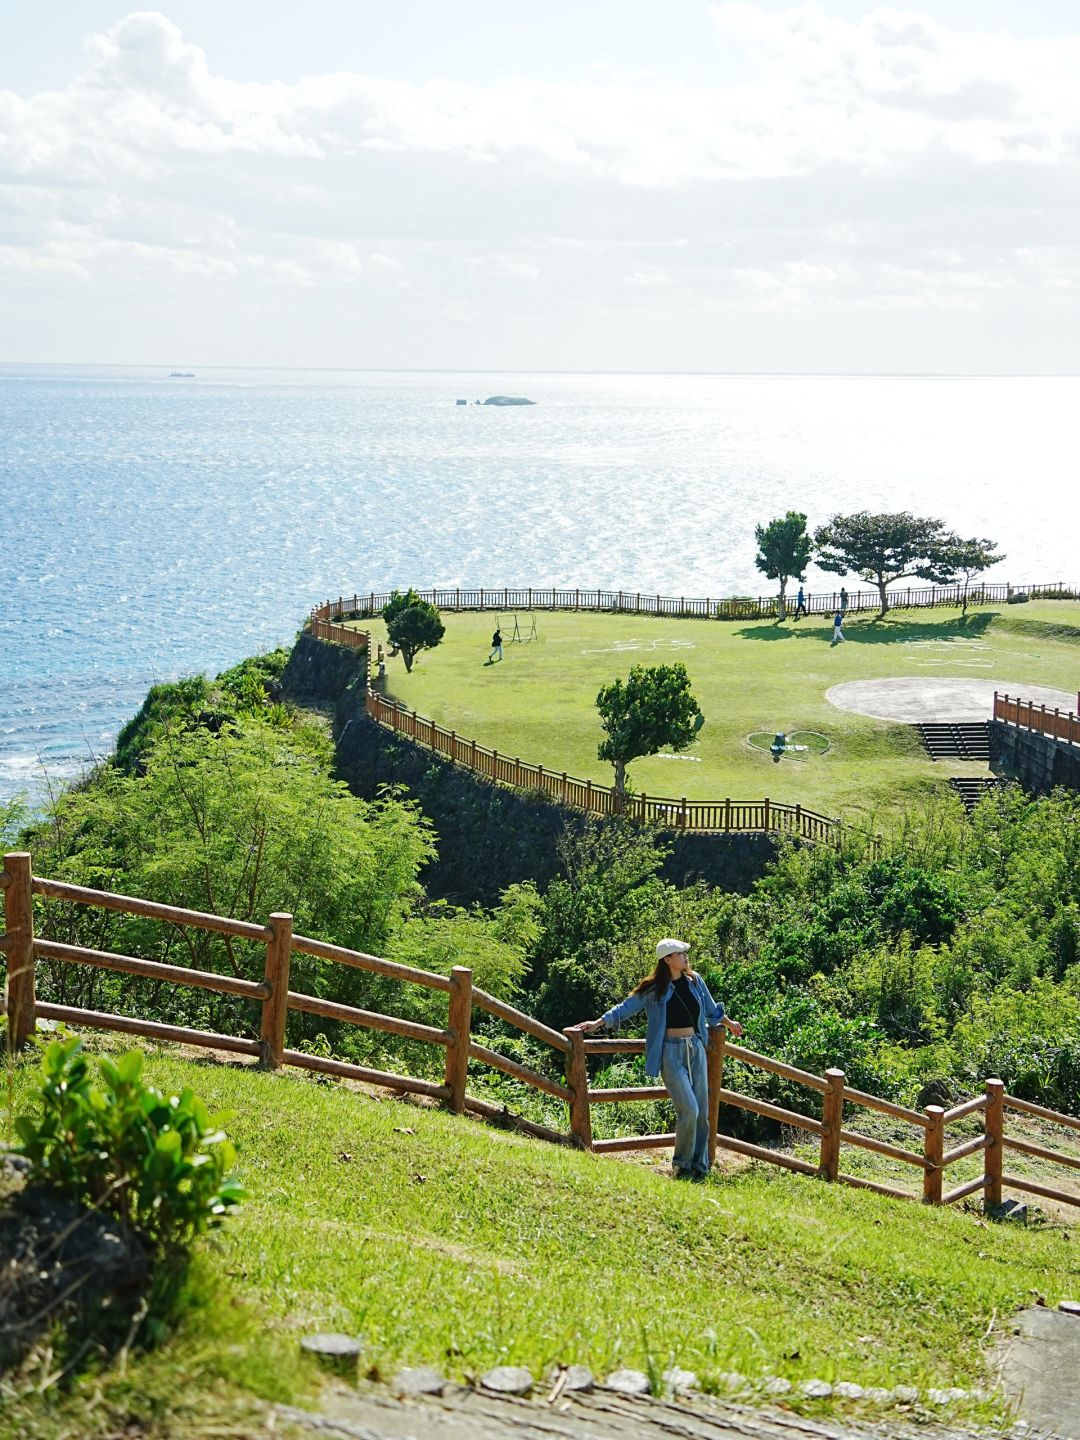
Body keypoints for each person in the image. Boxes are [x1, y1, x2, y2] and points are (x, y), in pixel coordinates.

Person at [571, 939, 743, 1182]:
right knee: (689, 1110)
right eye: (679, 953)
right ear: (667, 959)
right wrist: (598, 1022)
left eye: (684, 953)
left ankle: (699, 1167)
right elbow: (625, 1007)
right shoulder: (655, 989)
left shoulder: (695, 981)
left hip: (695, 1048)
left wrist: (730, 1024)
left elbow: (712, 1009)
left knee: (702, 1111)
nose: (685, 956)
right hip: (671, 1053)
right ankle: (682, 1166)